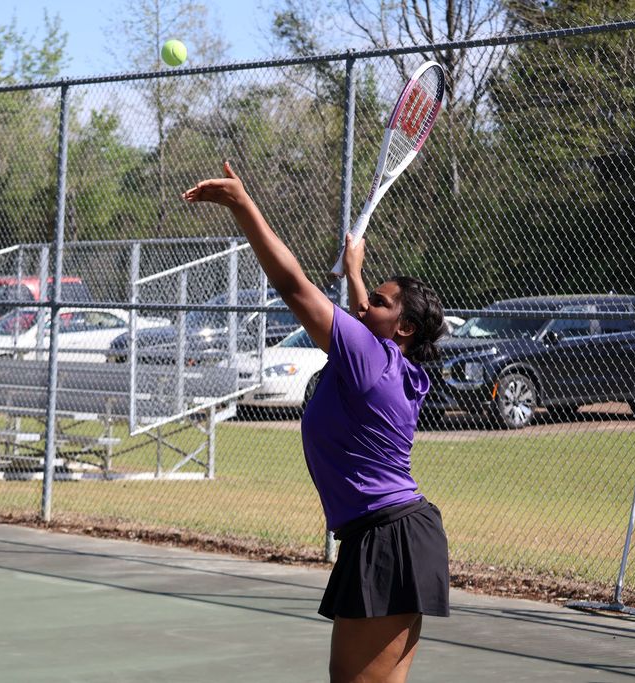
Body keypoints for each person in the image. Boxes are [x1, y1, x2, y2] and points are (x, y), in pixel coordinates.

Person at [183, 162, 449, 683]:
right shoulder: (400, 368)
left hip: (388, 538)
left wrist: (243, 205)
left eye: (379, 301)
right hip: (395, 534)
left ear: (405, 328)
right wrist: (355, 272)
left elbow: (291, 284)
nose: (365, 303)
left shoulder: (370, 360)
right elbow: (362, 323)